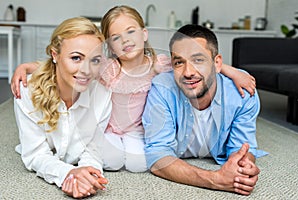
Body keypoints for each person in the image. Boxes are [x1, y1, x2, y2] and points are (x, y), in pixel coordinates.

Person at [11, 5, 256, 173]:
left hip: (137, 129)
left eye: (131, 32)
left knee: (141, 163)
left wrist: (232, 71)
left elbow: (194, 62)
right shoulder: (107, 66)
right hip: (108, 127)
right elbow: (73, 62)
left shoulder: (160, 64)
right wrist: (28, 66)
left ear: (144, 34)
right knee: (111, 160)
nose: (125, 40)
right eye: (116, 37)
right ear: (109, 45)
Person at [142, 24, 268, 196]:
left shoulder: (242, 94)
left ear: (217, 64)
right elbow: (157, 156)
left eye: (198, 60)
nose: (188, 72)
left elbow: (242, 147)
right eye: (179, 62)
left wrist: (242, 167)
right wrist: (215, 179)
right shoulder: (162, 89)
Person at [13, 17, 112, 198]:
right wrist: (67, 174)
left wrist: (88, 176)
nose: (86, 70)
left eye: (95, 60)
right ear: (55, 55)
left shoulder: (103, 96)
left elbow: (93, 150)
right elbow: (35, 155)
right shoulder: (27, 91)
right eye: (76, 58)